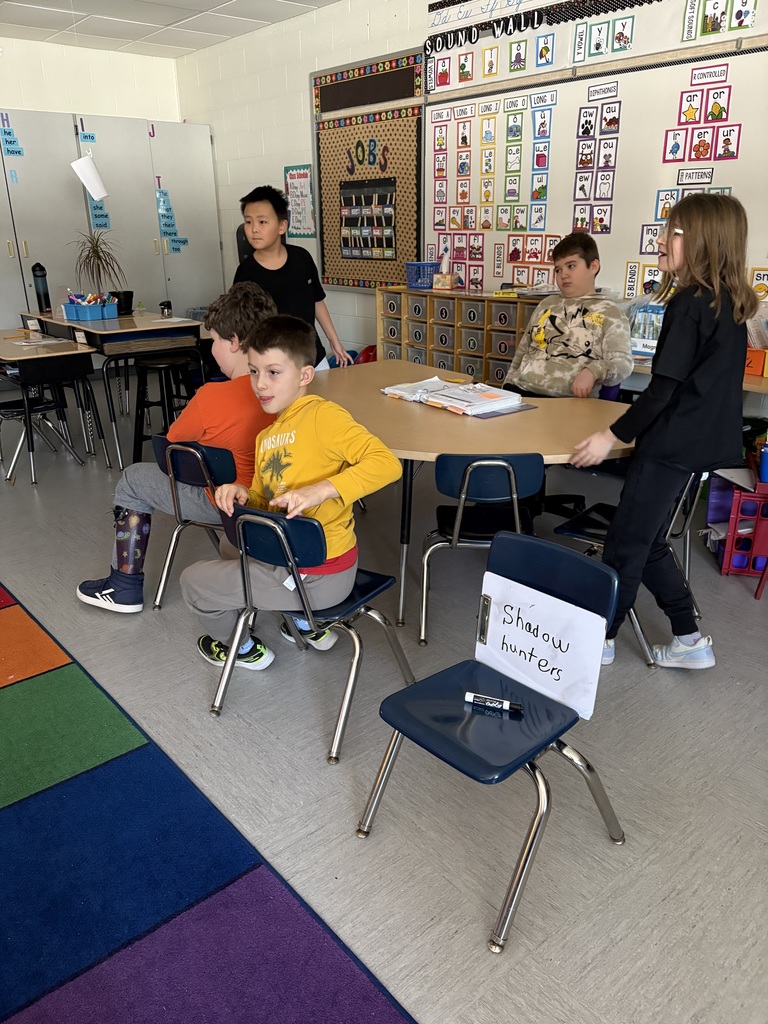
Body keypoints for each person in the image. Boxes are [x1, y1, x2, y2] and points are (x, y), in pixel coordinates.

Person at [571, 193, 758, 669]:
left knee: (625, 544)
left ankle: (601, 638)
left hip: (670, 445)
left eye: (672, 232)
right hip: (697, 445)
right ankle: (688, 637)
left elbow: (661, 392)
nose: (660, 240)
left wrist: (610, 436)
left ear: (700, 240)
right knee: (649, 540)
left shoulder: (690, 304)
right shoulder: (728, 303)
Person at [180, 314, 402, 671]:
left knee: (192, 582)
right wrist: (241, 492)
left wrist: (322, 490)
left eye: (273, 372)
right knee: (228, 544)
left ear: (304, 376)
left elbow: (387, 463)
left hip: (318, 576)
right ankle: (300, 620)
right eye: (253, 371)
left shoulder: (323, 416)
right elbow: (264, 497)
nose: (260, 384)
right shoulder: (267, 436)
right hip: (294, 561)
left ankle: (243, 648)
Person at [77, 282, 278, 614]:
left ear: (234, 342)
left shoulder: (212, 397)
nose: (212, 349)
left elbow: (172, 445)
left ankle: (123, 586)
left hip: (223, 503)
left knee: (132, 479)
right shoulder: (285, 391)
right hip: (276, 501)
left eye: (213, 341)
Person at [233, 185, 352, 369]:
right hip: (273, 365)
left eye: (262, 222)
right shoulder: (245, 273)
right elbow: (242, 325)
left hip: (313, 357)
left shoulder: (301, 258)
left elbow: (317, 301)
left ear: (282, 226)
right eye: (248, 222)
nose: (254, 229)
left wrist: (333, 340)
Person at [503, 233, 633, 398]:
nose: (563, 274)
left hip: (567, 402)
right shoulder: (547, 304)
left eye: (571, 266)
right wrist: (507, 384)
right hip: (520, 392)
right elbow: (523, 350)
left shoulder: (610, 312)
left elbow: (623, 363)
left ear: (593, 266)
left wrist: (593, 370)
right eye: (558, 269)